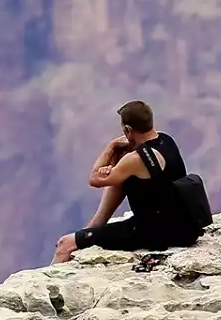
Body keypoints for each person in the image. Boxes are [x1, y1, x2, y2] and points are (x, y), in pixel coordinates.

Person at [53, 100, 200, 264]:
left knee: (65, 244)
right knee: (124, 178)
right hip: (182, 227)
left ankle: (49, 282)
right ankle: (94, 227)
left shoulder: (136, 160)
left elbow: (94, 179)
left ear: (128, 130)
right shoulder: (166, 141)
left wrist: (111, 146)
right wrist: (118, 163)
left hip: (152, 232)